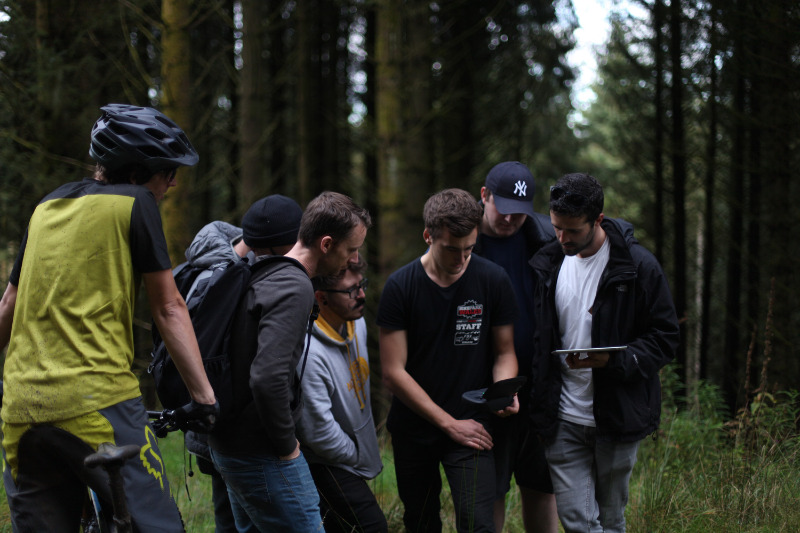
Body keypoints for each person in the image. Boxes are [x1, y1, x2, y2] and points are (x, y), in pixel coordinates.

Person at [0, 103, 219, 532]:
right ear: (137, 171)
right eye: (167, 170)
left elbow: (8, 303)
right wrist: (205, 397)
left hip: (20, 408)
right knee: (159, 527)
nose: (172, 181)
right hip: (95, 402)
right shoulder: (136, 203)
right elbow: (168, 306)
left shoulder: (46, 207)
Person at [208, 191, 371, 533]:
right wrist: (287, 447)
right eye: (351, 249)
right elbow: (267, 378)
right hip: (259, 450)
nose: (352, 259)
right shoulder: (294, 286)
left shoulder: (263, 269)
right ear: (326, 243)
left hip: (230, 440)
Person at [528, 173, 679, 533]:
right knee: (578, 521)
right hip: (562, 416)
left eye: (572, 230)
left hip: (617, 415)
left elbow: (666, 337)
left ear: (597, 220)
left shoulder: (637, 267)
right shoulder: (548, 263)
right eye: (556, 227)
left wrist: (618, 360)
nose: (562, 237)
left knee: (611, 521)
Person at [377, 188, 520, 533]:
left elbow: (504, 351)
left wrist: (503, 389)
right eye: (451, 249)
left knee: (478, 523)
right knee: (421, 522)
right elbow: (393, 372)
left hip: (473, 426)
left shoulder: (492, 279)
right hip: (415, 427)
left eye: (469, 249)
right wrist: (448, 423)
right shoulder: (400, 287)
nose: (461, 259)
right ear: (428, 236)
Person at [181, 194, 303, 533]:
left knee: (231, 517)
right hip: (230, 423)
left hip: (207, 415)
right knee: (239, 521)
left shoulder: (206, 264)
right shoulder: (237, 278)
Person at [473, 161, 558, 533]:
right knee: (489, 488)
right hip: (483, 389)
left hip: (538, 385)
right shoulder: (461, 239)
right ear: (484, 196)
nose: (509, 220)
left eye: (519, 214)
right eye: (502, 210)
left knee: (541, 483)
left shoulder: (544, 240)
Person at [296, 255, 387, 533]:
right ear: (321, 298)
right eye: (351, 291)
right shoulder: (308, 354)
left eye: (362, 285)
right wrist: (357, 456)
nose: (361, 296)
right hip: (325, 461)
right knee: (372, 527)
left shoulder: (354, 320)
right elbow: (318, 432)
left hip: (350, 454)